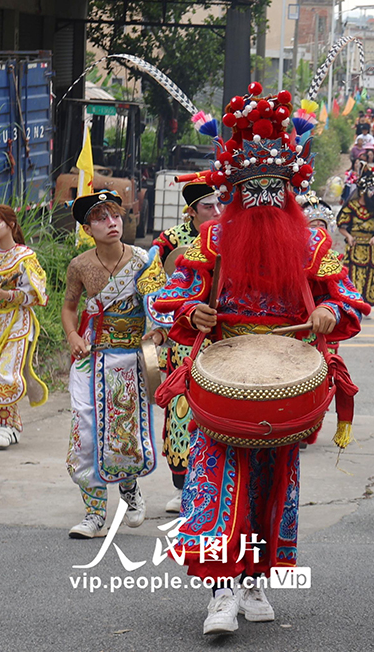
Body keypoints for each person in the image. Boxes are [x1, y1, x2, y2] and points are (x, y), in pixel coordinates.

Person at [153, 84, 369, 636]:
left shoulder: (311, 243)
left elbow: (347, 300)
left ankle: (255, 577)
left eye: (275, 187)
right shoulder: (213, 238)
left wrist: (326, 313)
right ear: (236, 191)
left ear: (290, 189)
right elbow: (171, 295)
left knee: (273, 478)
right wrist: (196, 311)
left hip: (285, 376)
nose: (265, 198)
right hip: (222, 372)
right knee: (221, 478)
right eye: (254, 188)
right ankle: (221, 590)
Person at [62, 190, 169, 538]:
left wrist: (158, 334)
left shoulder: (143, 261)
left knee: (123, 433)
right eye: (101, 218)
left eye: (116, 216)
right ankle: (93, 514)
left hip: (128, 361)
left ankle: (129, 489)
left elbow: (161, 305)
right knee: (86, 434)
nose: (112, 223)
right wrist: (72, 337)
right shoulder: (79, 265)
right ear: (87, 229)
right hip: (90, 359)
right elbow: (69, 308)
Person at [150, 176, 222, 511]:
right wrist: (163, 325)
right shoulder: (171, 240)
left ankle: (211, 483)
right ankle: (182, 486)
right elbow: (152, 281)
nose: (216, 211)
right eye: (209, 206)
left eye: (219, 205)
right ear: (192, 211)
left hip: (219, 340)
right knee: (181, 412)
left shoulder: (226, 238)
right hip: (183, 339)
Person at [0, 205, 48, 449]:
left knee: (6, 372)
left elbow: (36, 294)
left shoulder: (24, 257)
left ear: (11, 225)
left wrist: (7, 294)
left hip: (16, 322)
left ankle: (6, 425)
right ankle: (12, 425)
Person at [337, 166, 374, 306]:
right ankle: (352, 300)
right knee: (352, 274)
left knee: (368, 275)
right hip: (353, 246)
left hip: (369, 248)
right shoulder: (351, 206)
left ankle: (365, 302)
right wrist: (349, 236)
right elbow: (342, 226)